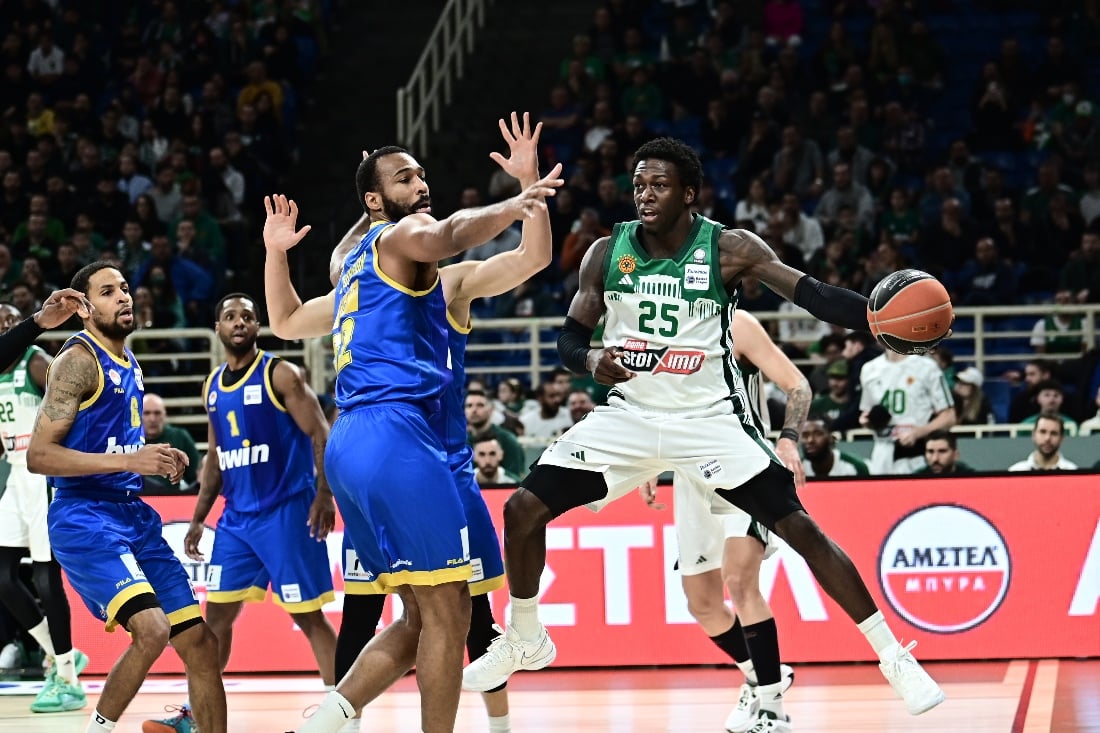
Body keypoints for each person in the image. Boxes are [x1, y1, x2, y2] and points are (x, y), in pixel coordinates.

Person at [462, 138, 945, 721]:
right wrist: (589, 359)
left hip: (709, 420)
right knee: (522, 509)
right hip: (631, 416)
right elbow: (570, 337)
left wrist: (874, 315)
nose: (645, 194)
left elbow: (812, 296)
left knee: (801, 529)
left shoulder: (730, 248)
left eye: (659, 185)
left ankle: (893, 656)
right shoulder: (605, 252)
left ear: (688, 193)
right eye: (639, 184)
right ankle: (525, 635)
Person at [263, 113, 561, 733]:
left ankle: (321, 723)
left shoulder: (363, 276)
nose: (421, 184)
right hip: (403, 442)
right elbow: (447, 232)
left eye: (422, 175)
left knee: (422, 617)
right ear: (375, 202)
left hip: (360, 443)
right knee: (454, 614)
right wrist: (517, 201)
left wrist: (274, 254)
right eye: (405, 178)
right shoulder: (402, 241)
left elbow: (286, 321)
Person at [26, 262, 226, 733]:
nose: (124, 297)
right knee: (152, 629)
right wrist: (132, 460)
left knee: (201, 644)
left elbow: (118, 444)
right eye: (108, 291)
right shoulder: (78, 360)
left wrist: (160, 455)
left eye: (124, 288)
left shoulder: (128, 361)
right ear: (83, 307)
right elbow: (39, 455)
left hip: (132, 514)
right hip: (84, 515)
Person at [144, 293, 338, 733]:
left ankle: (342, 718)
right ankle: (196, 716)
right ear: (217, 327)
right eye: (230, 316)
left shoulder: (280, 373)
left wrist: (324, 493)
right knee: (215, 619)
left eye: (247, 316)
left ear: (257, 326)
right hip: (236, 521)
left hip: (286, 512)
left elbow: (320, 432)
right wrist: (199, 516)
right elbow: (215, 456)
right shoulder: (212, 385)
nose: (238, 322)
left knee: (308, 617)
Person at [641, 309, 805, 731]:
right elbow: (655, 405)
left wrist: (788, 440)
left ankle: (772, 710)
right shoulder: (660, 326)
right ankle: (760, 675)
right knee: (703, 604)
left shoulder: (738, 324)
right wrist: (648, 464)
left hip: (745, 465)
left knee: (740, 581)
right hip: (692, 473)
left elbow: (797, 385)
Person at [0, 302, 89, 713]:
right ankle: (60, 654)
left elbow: (74, 403)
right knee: (3, 578)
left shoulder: (36, 363)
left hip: (43, 475)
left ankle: (68, 679)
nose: (5, 327)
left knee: (45, 578)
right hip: (14, 476)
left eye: (10, 321)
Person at [858, 349, 957, 474]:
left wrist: (919, 432)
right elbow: (866, 412)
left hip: (915, 452)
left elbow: (949, 416)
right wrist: (866, 421)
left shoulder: (927, 367)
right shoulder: (869, 369)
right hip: (882, 451)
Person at [140, 393, 201, 494]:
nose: (152, 419)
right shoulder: (129, 439)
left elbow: (195, 476)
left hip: (171, 497)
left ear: (165, 415)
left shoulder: (180, 436)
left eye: (157, 413)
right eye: (146, 413)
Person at [799, 415, 870, 477]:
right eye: (805, 435)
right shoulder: (796, 469)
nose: (810, 440)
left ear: (831, 438)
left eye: (818, 434)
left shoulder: (855, 467)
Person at [1008, 413, 1079, 471]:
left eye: (1054, 433)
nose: (1047, 438)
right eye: (1043, 432)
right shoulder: (1015, 471)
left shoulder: (1074, 472)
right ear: (1033, 435)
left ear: (1062, 438)